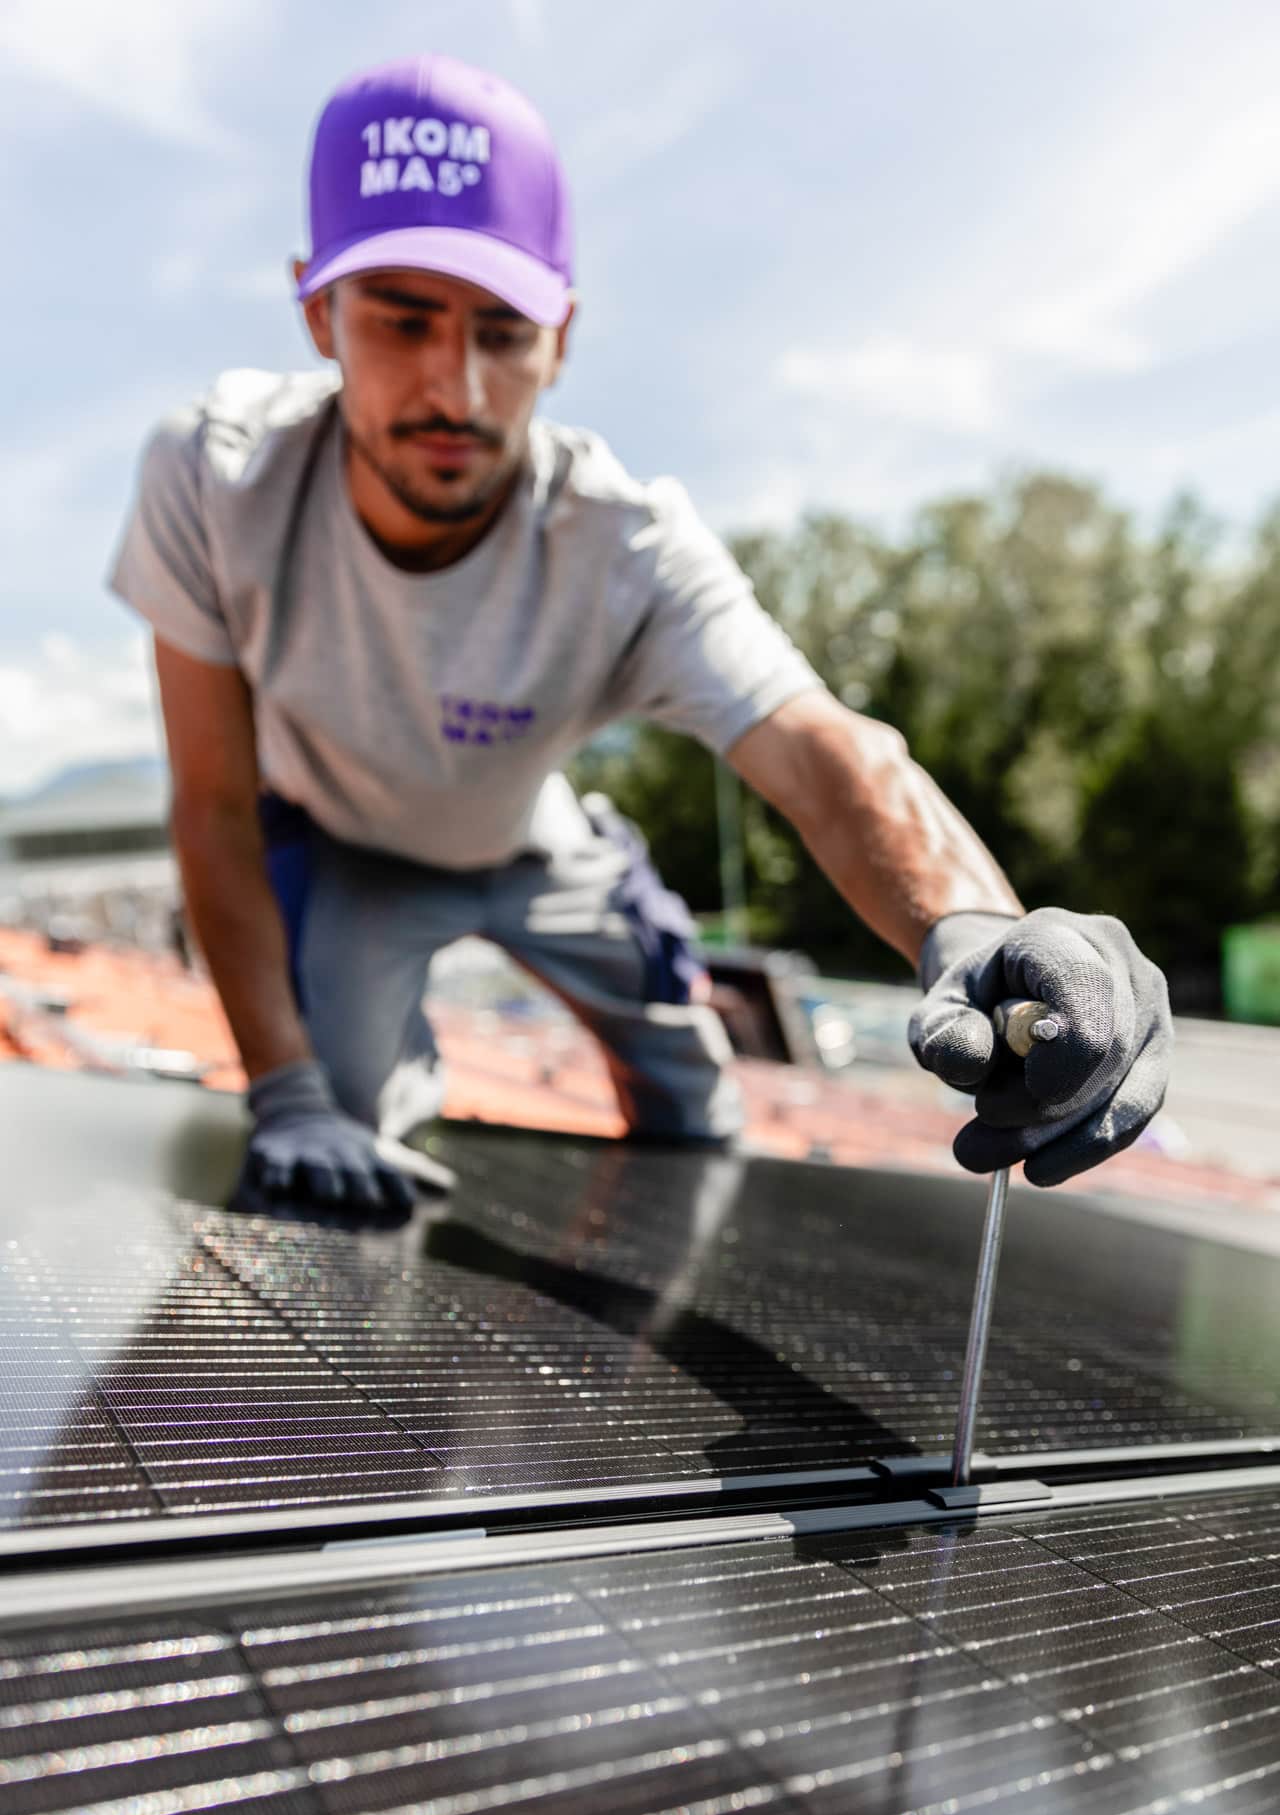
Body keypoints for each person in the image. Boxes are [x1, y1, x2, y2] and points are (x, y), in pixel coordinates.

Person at [109, 53, 1171, 1226]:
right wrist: (287, 1090)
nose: (452, 388)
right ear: (318, 309)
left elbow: (824, 756)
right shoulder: (212, 480)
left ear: (560, 337)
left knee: (693, 1101)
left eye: (503, 332)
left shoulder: (624, 543)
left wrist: (971, 923)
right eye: (402, 319)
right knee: (337, 1127)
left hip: (538, 846)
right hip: (349, 852)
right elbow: (211, 807)